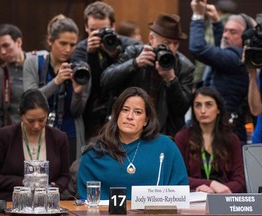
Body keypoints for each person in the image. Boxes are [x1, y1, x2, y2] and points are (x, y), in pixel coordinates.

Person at [77, 87, 188, 200]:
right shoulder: (94, 152)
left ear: (146, 120)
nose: (129, 116)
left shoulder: (166, 147)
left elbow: (180, 193)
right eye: (125, 110)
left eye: (138, 112)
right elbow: (86, 201)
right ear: (116, 114)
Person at [101, 13, 194, 137]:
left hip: (163, 133)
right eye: (166, 43)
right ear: (151, 38)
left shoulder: (185, 67)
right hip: (129, 129)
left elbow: (181, 109)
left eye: (175, 44)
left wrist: (171, 79)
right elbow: (105, 81)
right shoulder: (134, 53)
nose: (171, 48)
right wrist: (134, 64)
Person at [23, 14, 90, 164]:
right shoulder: (33, 63)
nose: (68, 50)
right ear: (50, 41)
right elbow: (28, 100)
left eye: (72, 45)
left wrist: (78, 92)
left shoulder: (81, 69)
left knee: (69, 179)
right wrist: (56, 81)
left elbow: (77, 112)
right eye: (63, 43)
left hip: (70, 133)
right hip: (38, 131)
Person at [72, 1, 142, 141]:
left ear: (113, 27)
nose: (98, 35)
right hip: (93, 116)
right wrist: (91, 55)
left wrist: (116, 55)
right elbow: (95, 85)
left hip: (125, 111)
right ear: (86, 27)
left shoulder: (130, 45)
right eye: (93, 30)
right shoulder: (81, 49)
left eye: (103, 30)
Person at [189, 0, 253, 144]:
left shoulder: (236, 58)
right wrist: (217, 23)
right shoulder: (232, 54)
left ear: (246, 39)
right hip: (219, 128)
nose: (225, 35)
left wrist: (198, 15)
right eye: (225, 30)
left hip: (226, 134)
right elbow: (222, 48)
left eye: (233, 32)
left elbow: (198, 48)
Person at [0, 89, 70, 201]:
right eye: (31, 121)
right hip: (12, 202)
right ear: (21, 116)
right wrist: (23, 182)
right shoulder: (4, 137)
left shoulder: (59, 138)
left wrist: (52, 189)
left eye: (41, 120)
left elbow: (65, 176)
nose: (36, 126)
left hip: (47, 204)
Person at [175, 87, 245, 193]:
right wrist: (211, 184)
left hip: (224, 198)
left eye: (208, 105)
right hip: (193, 198)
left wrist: (220, 190)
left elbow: (239, 181)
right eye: (198, 105)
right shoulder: (182, 137)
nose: (203, 111)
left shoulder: (231, 139)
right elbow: (178, 178)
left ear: (218, 109)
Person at [0, 24, 47, 129]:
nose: (2, 52)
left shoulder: (41, 60)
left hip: (45, 128)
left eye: (6, 46)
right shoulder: (1, 74)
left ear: (19, 42)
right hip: (16, 132)